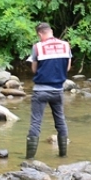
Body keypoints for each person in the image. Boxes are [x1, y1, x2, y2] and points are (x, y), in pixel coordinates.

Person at [26, 22, 71, 159]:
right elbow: (67, 68)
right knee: (60, 121)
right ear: (50, 31)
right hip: (58, 90)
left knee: (35, 123)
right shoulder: (65, 45)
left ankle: (29, 159)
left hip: (40, 90)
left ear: (40, 34)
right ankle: (62, 156)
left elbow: (34, 69)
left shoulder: (38, 47)